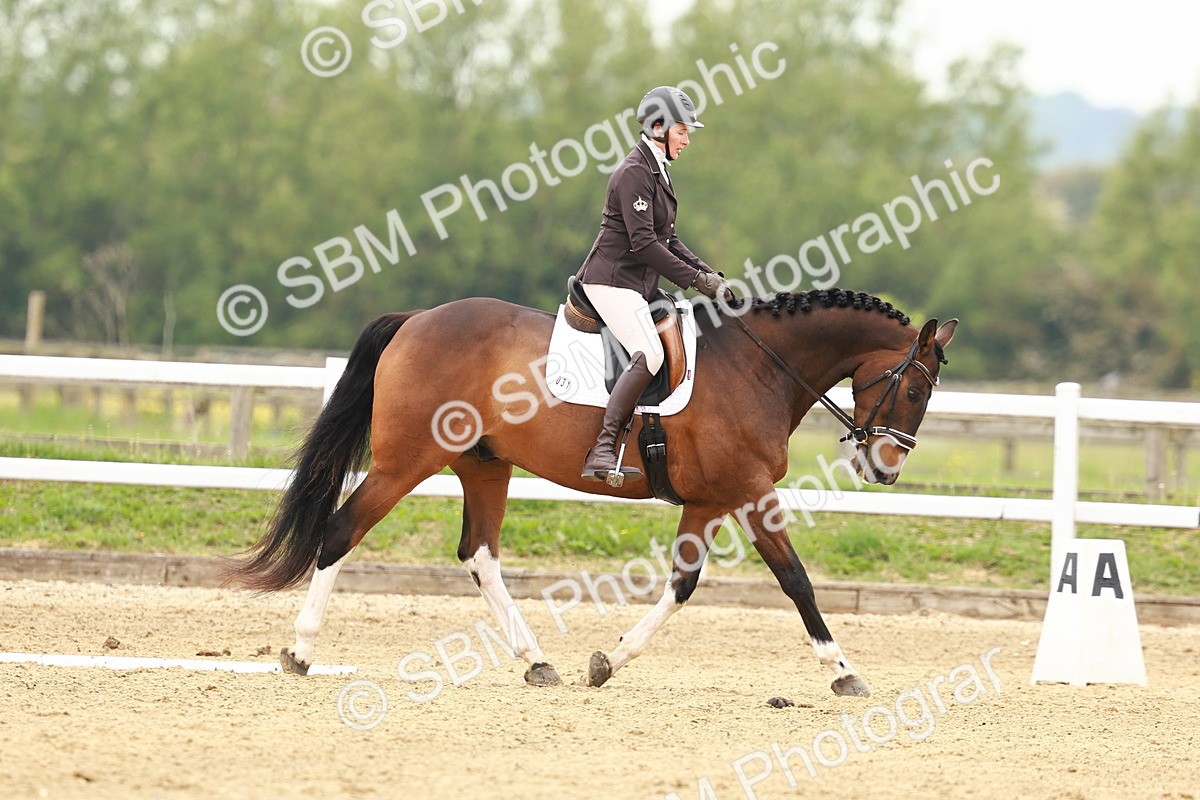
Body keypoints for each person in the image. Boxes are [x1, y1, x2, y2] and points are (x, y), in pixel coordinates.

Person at [576, 85, 731, 482]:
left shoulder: (656, 170)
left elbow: (670, 239)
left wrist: (708, 274)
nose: (687, 138)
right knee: (650, 353)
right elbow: (644, 244)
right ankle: (603, 447)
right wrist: (696, 281)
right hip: (610, 282)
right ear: (658, 127)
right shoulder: (633, 173)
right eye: (682, 130)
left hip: (637, 284)